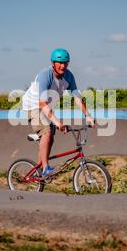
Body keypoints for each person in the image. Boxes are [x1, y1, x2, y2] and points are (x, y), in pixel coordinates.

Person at [22, 48, 95, 178]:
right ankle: (45, 168)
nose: (63, 66)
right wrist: (57, 122)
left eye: (66, 63)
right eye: (59, 63)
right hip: (33, 105)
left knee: (50, 139)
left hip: (47, 107)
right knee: (47, 132)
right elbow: (42, 103)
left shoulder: (69, 76)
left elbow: (77, 97)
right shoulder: (44, 76)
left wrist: (88, 115)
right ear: (53, 63)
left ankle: (39, 172)